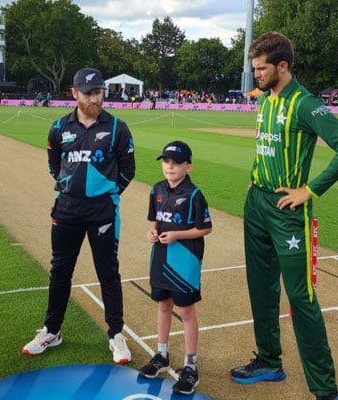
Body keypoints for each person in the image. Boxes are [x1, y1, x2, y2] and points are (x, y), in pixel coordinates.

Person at [230, 32, 338, 400]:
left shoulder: (306, 104)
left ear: (282, 66)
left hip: (288, 213)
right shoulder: (266, 101)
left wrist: (310, 189)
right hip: (256, 203)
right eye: (254, 69)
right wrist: (254, 180)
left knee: (301, 299)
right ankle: (269, 361)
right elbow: (266, 147)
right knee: (260, 288)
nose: (256, 75)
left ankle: (325, 390)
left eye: (261, 69)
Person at [22, 67, 136, 364]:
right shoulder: (60, 127)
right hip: (67, 210)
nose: (94, 98)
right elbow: (53, 165)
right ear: (74, 93)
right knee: (61, 271)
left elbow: (128, 170)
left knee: (108, 273)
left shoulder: (117, 128)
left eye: (98, 92)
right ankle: (52, 331)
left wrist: (105, 193)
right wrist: (71, 189)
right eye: (88, 93)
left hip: (103, 213)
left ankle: (116, 334)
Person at [138, 141, 212, 395]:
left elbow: (205, 228)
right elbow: (154, 220)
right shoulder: (157, 189)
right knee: (163, 305)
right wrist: (151, 231)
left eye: (176, 163)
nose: (170, 167)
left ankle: (191, 366)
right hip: (160, 257)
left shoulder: (193, 193)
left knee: (186, 312)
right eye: (166, 162)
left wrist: (178, 236)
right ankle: (162, 354)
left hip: (184, 260)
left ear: (187, 166)